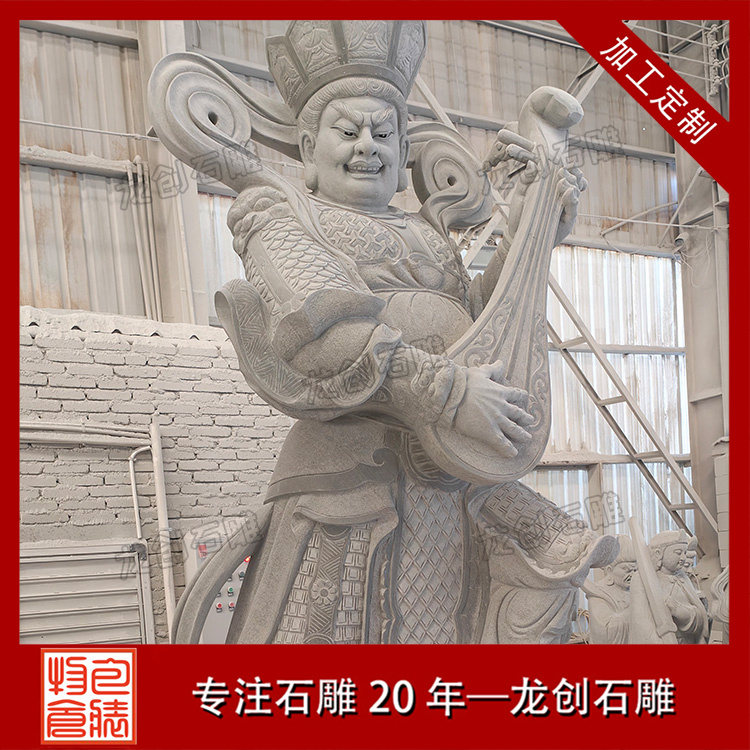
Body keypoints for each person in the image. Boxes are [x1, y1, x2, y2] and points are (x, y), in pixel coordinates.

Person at [158, 20, 617, 644]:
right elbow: (325, 334)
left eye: (383, 132)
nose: (367, 145)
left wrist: (533, 231)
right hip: (348, 489)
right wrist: (449, 391)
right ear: (308, 147)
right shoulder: (279, 213)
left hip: (448, 482)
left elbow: (482, 326)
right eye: (348, 131)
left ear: (403, 152)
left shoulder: (430, 235)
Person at [629, 530, 709, 644]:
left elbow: (700, 618)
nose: (683, 557)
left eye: (684, 552)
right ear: (658, 553)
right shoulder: (641, 579)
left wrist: (684, 613)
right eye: (678, 552)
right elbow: (641, 623)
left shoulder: (683, 578)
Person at [585, 534, 637, 643]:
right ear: (609, 570)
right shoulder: (598, 593)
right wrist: (635, 612)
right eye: (627, 570)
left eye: (635, 570)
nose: (632, 575)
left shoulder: (637, 589)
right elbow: (604, 634)